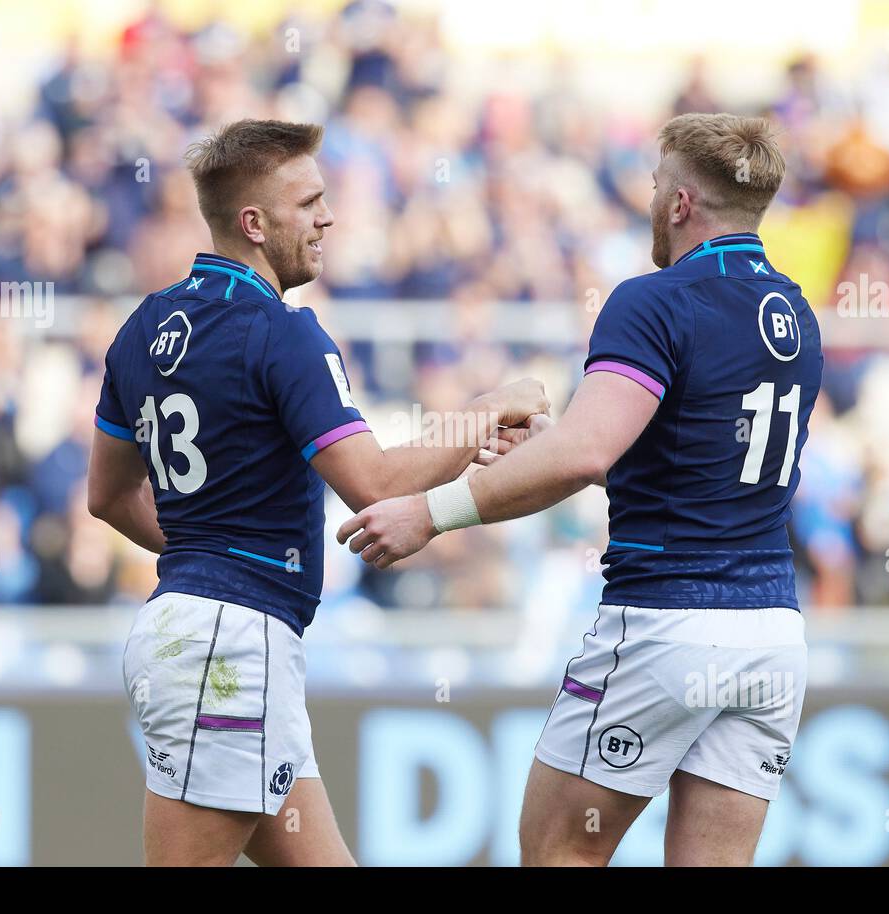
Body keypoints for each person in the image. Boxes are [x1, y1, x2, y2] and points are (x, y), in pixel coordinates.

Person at [338, 113, 823, 866]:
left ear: (681, 204)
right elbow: (687, 450)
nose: (650, 196)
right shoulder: (795, 312)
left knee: (559, 851)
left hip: (668, 619)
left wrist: (429, 514)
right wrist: (554, 446)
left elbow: (588, 452)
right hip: (772, 633)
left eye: (657, 182)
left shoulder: (653, 298)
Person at [86, 119, 547, 866]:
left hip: (204, 631)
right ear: (255, 223)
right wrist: (491, 405)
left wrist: (206, 560)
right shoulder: (282, 331)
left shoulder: (141, 327)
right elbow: (376, 483)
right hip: (230, 645)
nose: (327, 216)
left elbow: (107, 496)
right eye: (309, 202)